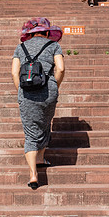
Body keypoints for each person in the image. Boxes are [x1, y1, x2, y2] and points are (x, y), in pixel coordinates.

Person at [11, 17, 66, 189]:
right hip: (48, 91)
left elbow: (14, 72)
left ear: (29, 34)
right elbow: (61, 68)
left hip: (27, 91)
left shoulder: (20, 47)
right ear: (48, 32)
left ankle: (33, 174)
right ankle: (41, 158)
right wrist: (54, 85)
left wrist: (21, 90)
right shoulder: (54, 46)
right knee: (44, 123)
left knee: (30, 131)